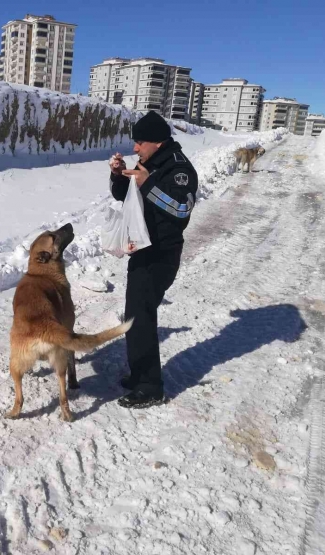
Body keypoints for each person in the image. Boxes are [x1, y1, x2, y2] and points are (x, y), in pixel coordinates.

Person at [108, 111, 198, 408]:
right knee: (134, 315)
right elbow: (127, 197)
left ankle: (151, 387)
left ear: (158, 142)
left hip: (162, 254)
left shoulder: (180, 169)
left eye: (140, 142)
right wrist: (118, 174)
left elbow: (181, 211)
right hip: (142, 250)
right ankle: (139, 375)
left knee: (142, 317)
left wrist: (148, 184)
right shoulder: (149, 163)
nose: (135, 148)